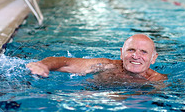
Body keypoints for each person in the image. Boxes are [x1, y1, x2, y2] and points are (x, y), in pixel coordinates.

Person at [26, 34, 167, 82]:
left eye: (143, 52)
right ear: (121, 53)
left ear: (153, 58)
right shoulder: (106, 65)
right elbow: (66, 62)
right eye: (131, 50)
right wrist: (44, 65)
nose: (136, 56)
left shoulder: (156, 80)